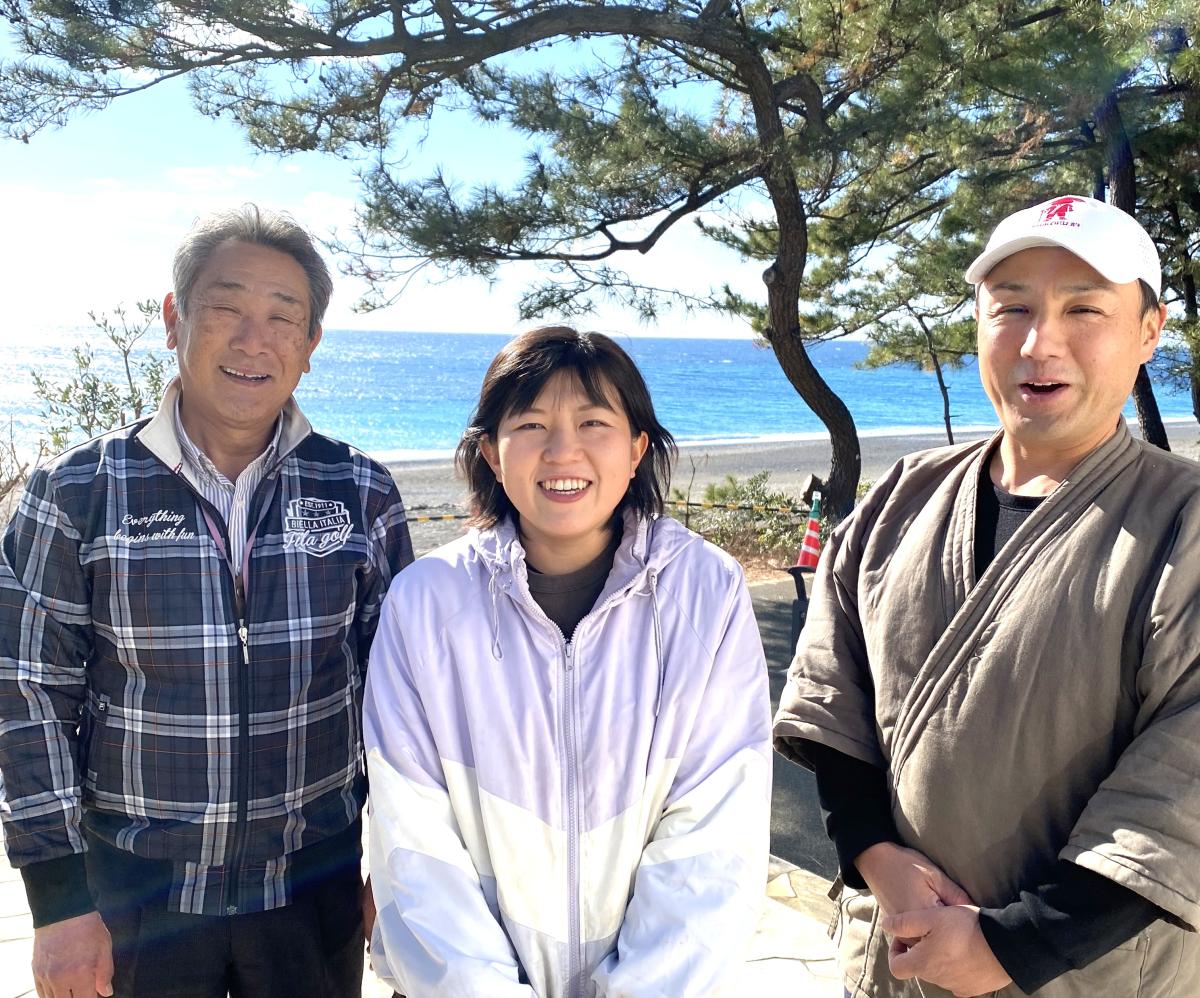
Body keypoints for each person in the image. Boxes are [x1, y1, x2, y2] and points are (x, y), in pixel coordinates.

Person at [773, 195, 1200, 997]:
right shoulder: (903, 497)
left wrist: (1016, 944)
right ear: (978, 322)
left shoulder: (1184, 522)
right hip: (895, 957)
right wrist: (876, 856)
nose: (1041, 343)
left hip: (1092, 976)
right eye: (1012, 308)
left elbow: (1183, 786)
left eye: (1084, 309)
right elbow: (830, 699)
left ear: (1149, 330)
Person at [0, 205, 414, 998]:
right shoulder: (77, 490)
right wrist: (57, 904)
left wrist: (398, 871)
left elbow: (401, 703)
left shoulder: (359, 491)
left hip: (311, 891)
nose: (253, 340)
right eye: (225, 308)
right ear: (173, 319)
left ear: (310, 344)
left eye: (282, 317)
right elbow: (26, 696)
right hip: (132, 900)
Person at [362, 326, 771, 997]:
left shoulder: (707, 593)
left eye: (593, 422)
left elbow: (715, 838)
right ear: (492, 454)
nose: (562, 450)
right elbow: (415, 844)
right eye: (530, 425)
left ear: (637, 448)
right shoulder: (425, 604)